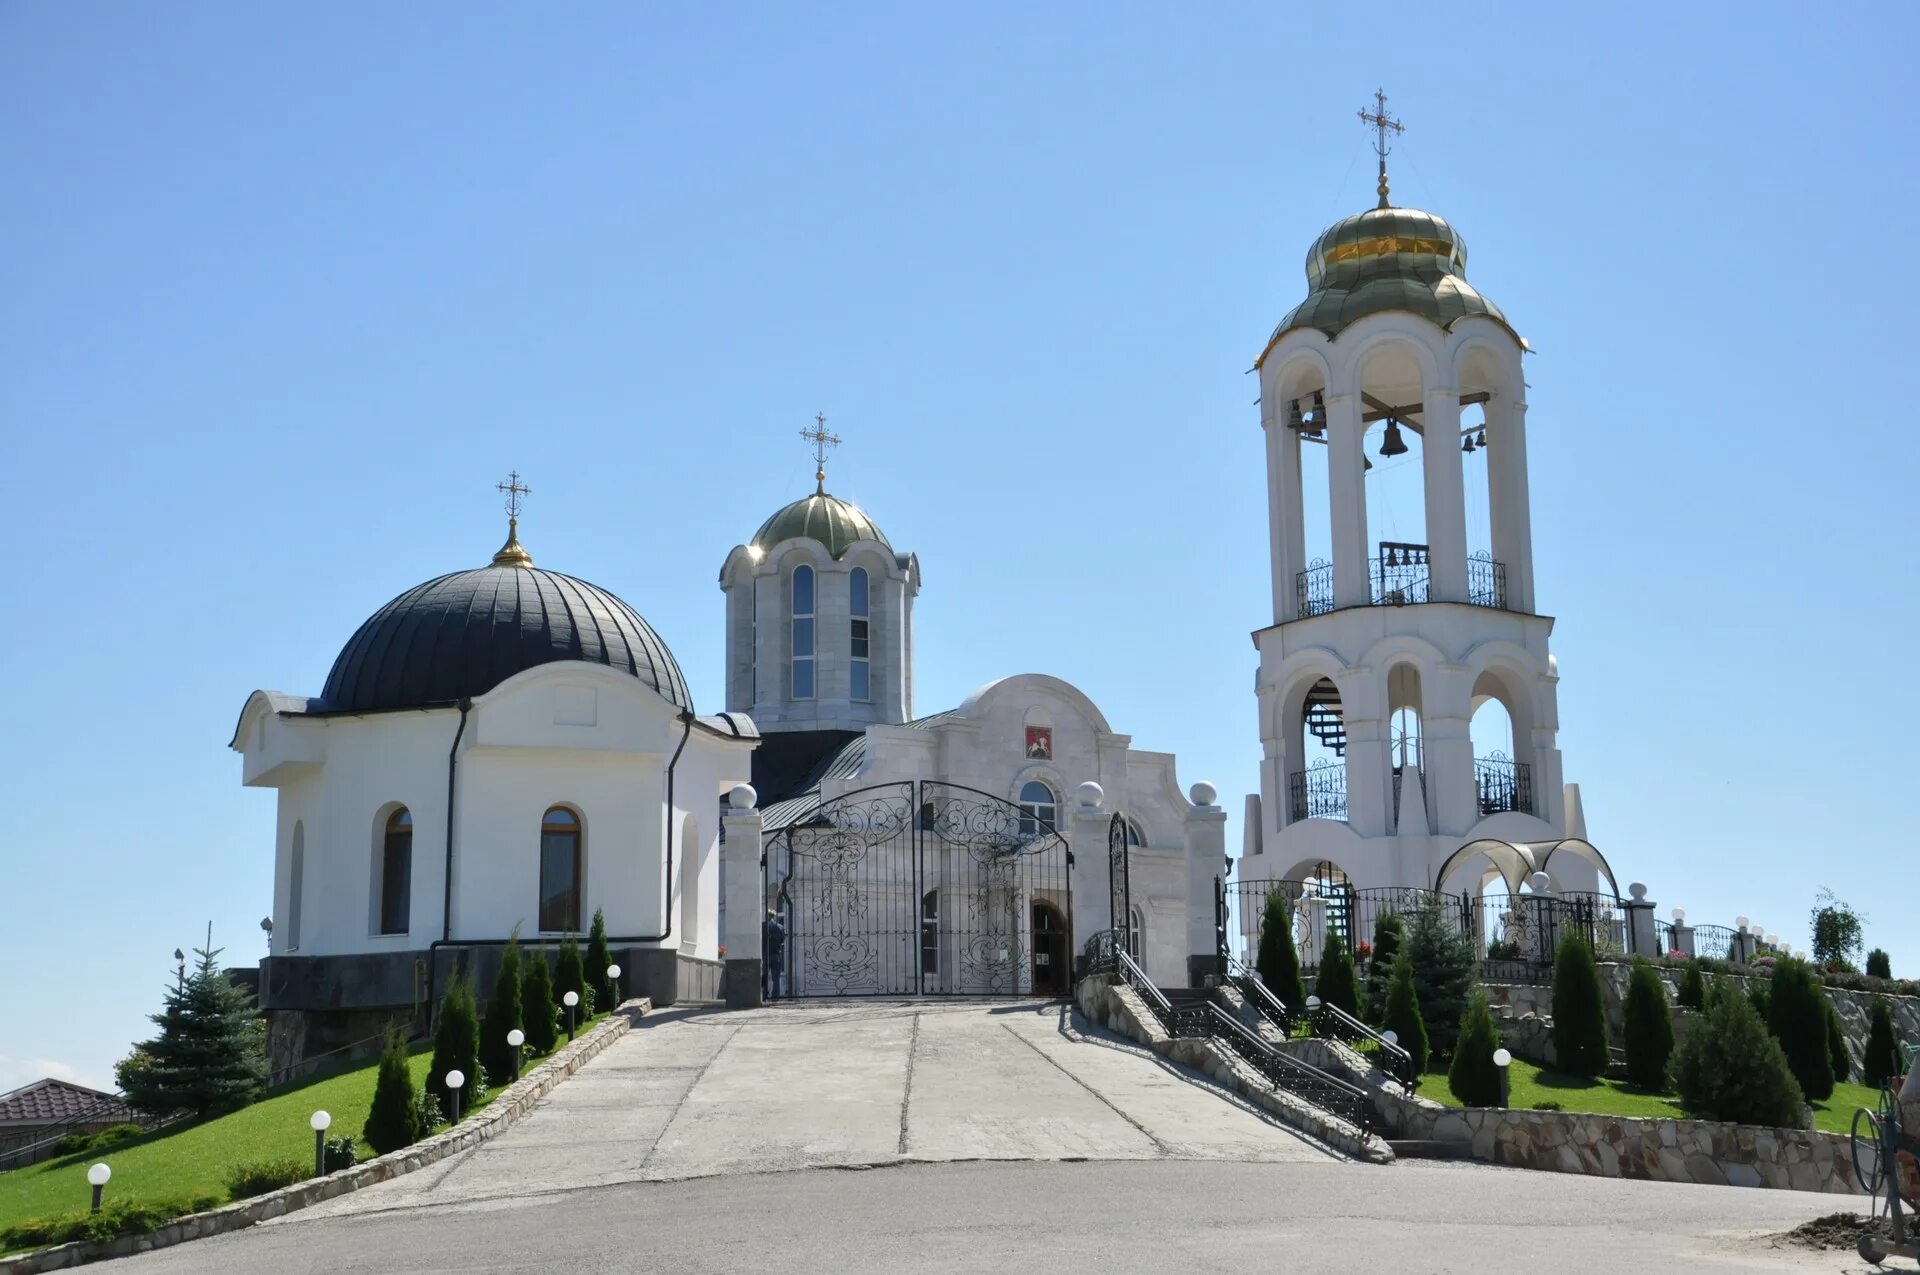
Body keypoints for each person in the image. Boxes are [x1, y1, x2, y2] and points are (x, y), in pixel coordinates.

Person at [764, 907, 787, 1001]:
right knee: (776, 977)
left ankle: (764, 995)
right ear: (774, 916)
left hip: (765, 954)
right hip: (776, 954)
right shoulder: (780, 927)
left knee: (764, 976)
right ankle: (775, 997)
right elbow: (783, 940)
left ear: (766, 916)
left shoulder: (762, 926)